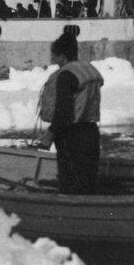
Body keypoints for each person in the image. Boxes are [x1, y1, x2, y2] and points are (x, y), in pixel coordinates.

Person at [38, 32, 103, 194]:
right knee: (87, 180)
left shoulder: (66, 75)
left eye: (54, 55)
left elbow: (64, 112)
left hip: (71, 136)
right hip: (91, 132)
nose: (52, 59)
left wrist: (50, 135)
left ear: (62, 56)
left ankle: (71, 214)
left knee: (70, 182)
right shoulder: (88, 69)